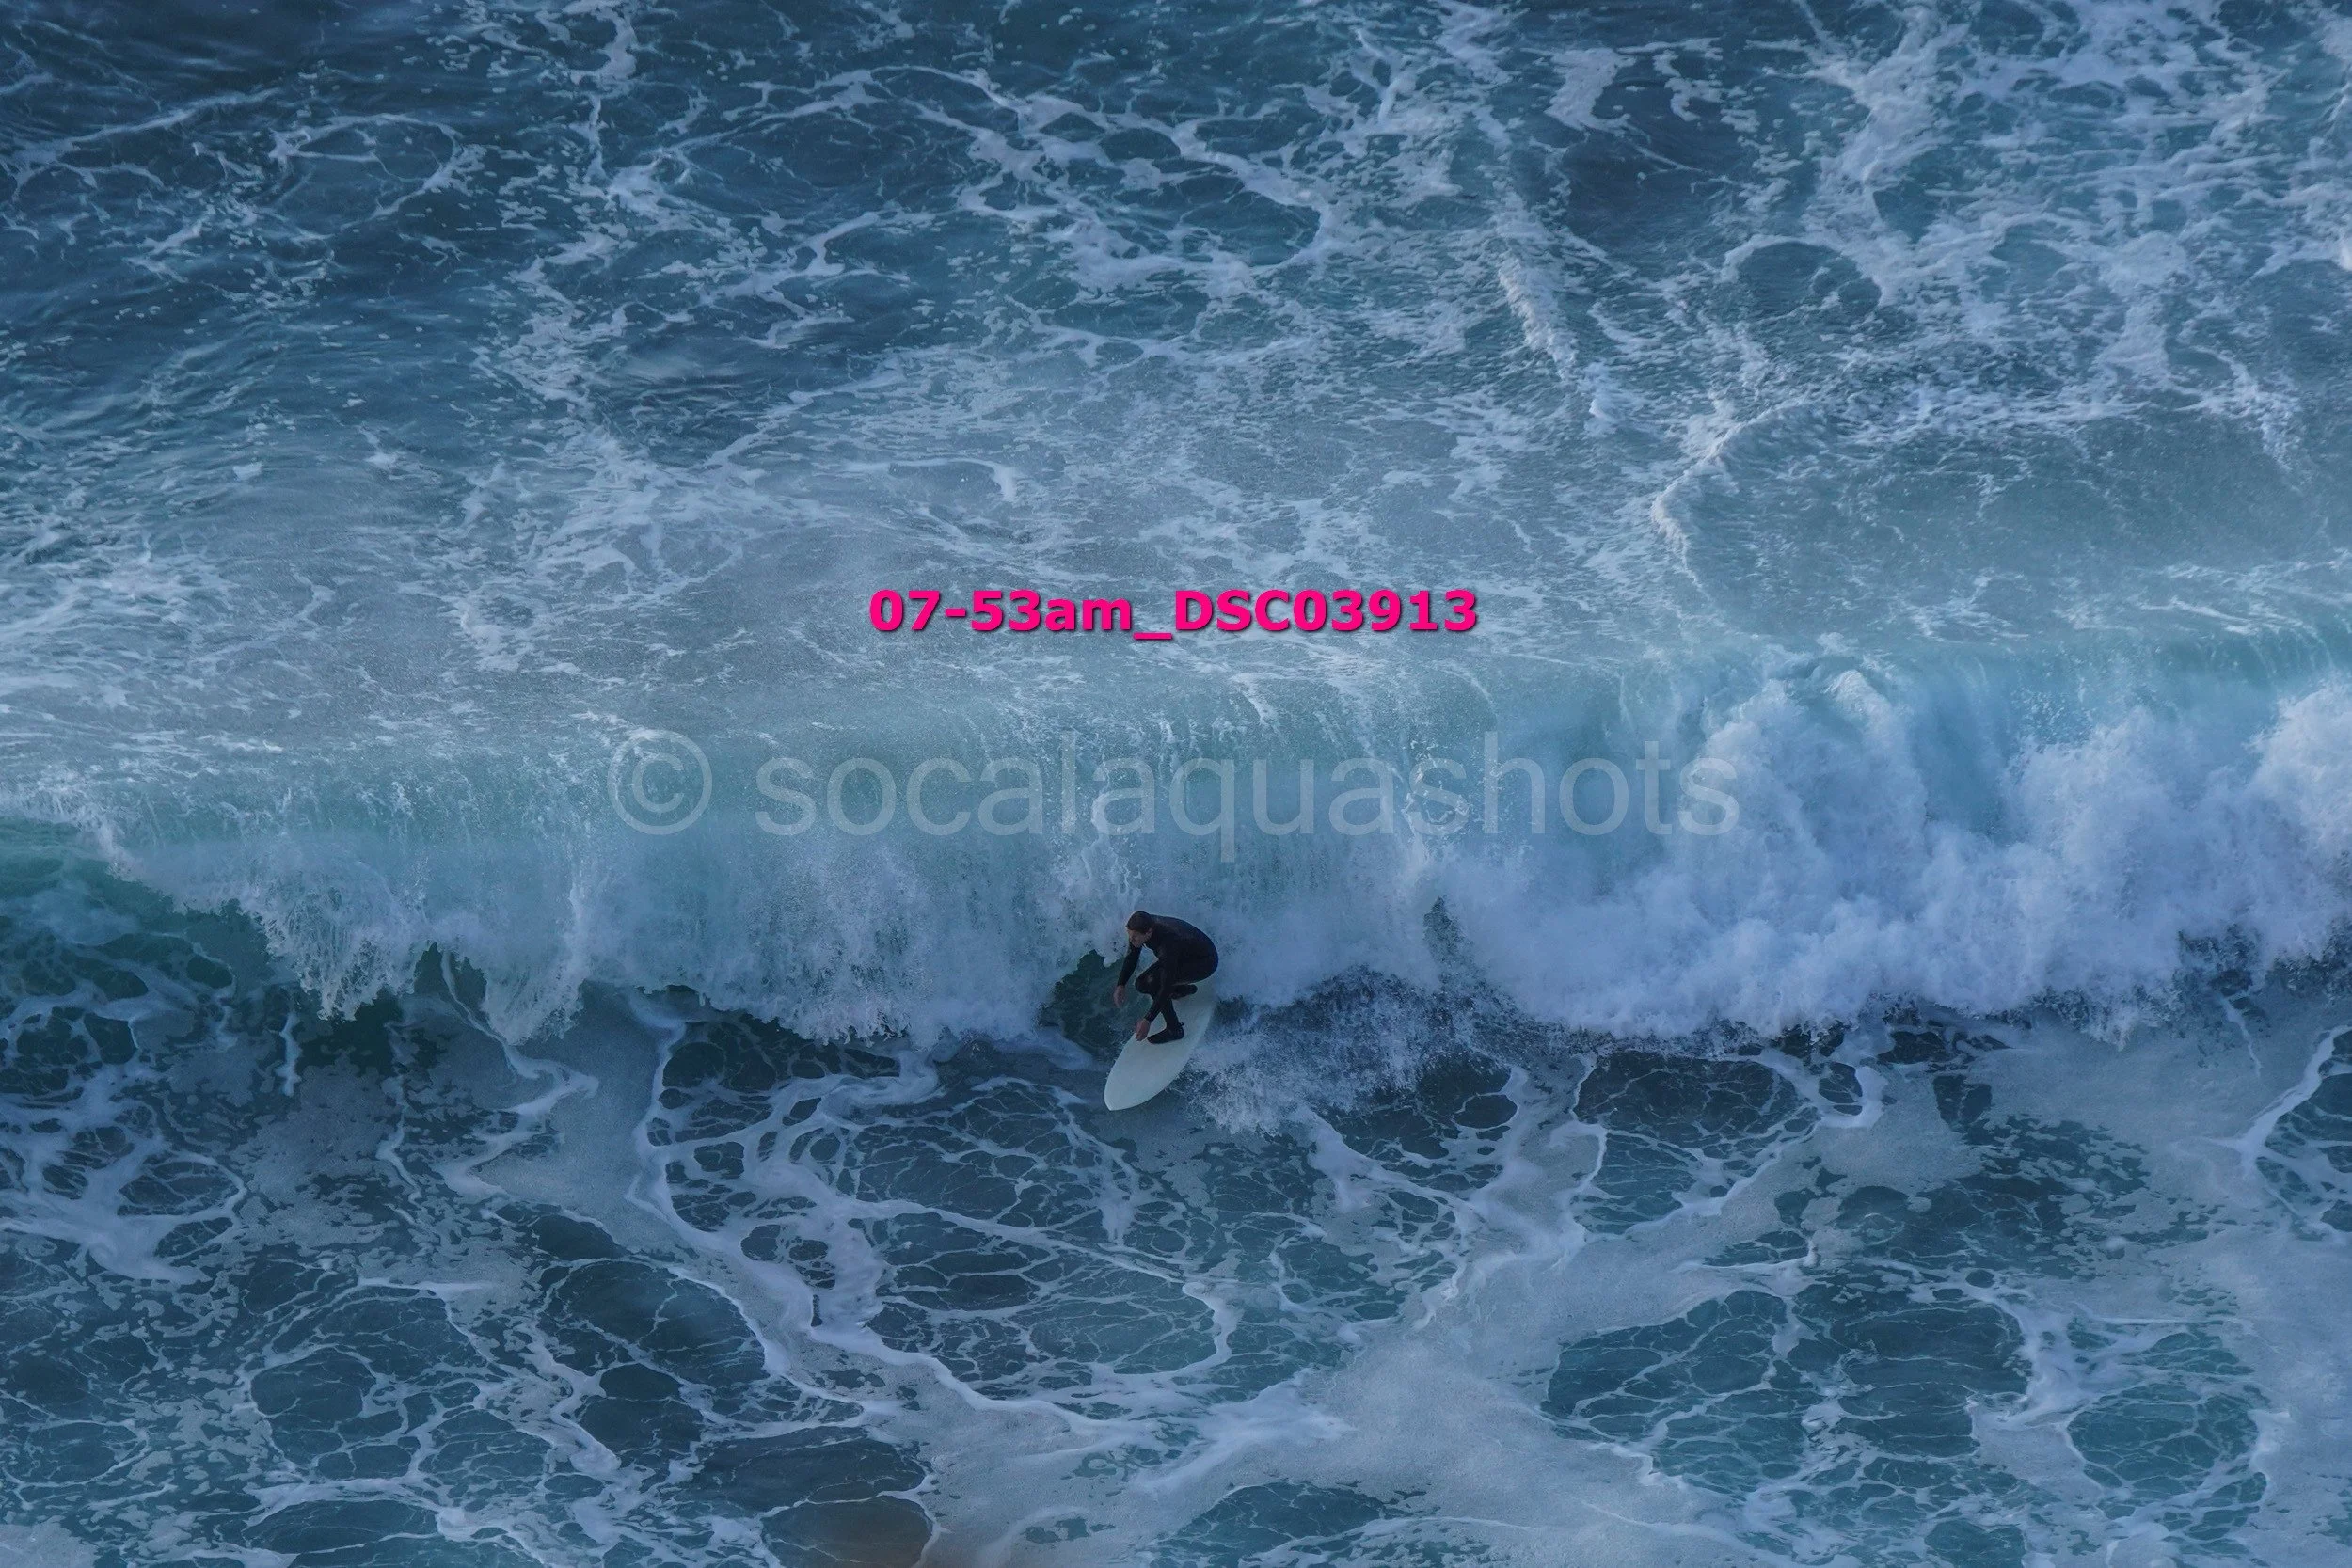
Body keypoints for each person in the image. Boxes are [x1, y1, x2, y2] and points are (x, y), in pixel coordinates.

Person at [1111, 910, 1218, 1044]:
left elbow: (1165, 985)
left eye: (1135, 937)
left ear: (1149, 932)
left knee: (1152, 983)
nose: (1131, 940)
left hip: (1205, 963)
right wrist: (1121, 984)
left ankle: (1174, 1029)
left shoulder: (1167, 943)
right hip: (1185, 955)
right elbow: (1132, 956)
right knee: (1142, 984)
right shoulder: (1140, 928)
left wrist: (1148, 1019)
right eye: (1130, 935)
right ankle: (1181, 990)